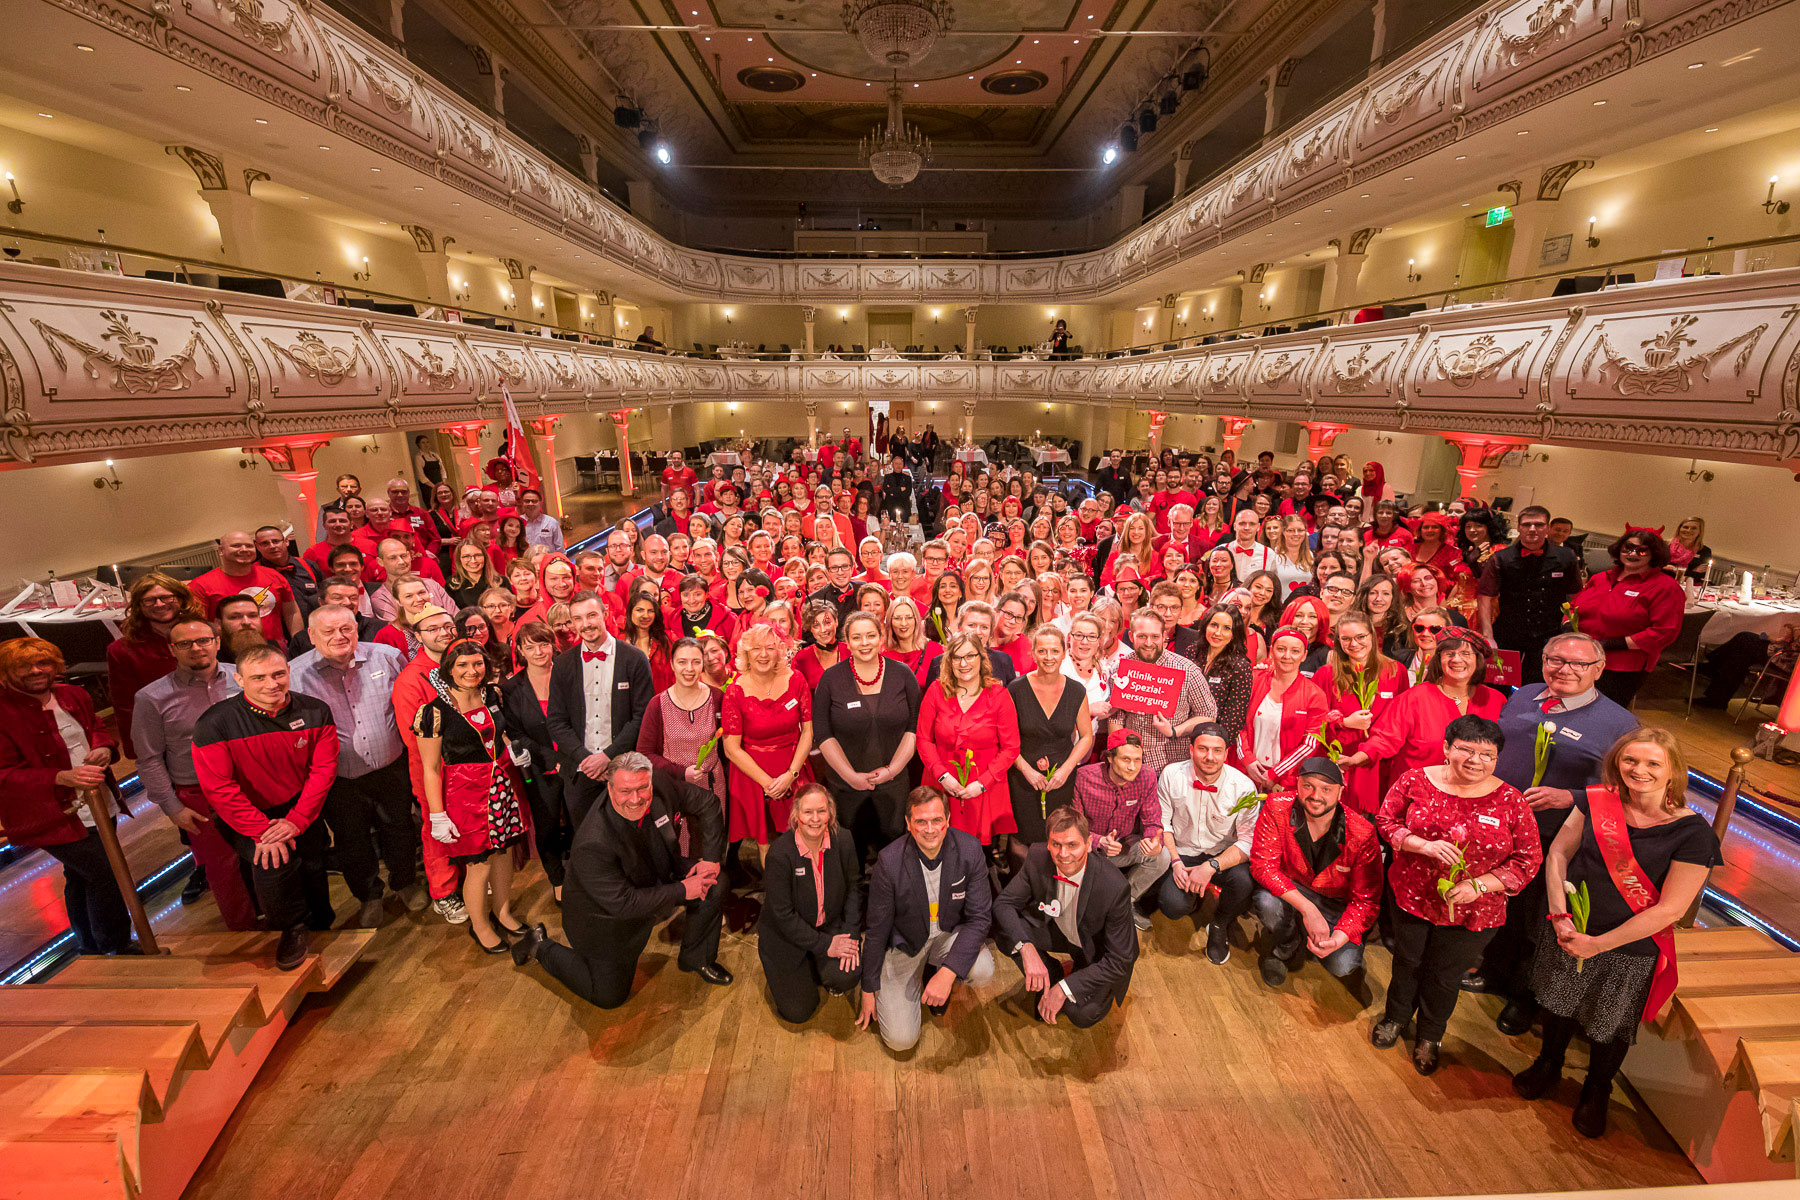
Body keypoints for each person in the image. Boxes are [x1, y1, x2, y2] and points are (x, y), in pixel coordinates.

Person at [1512, 728, 1721, 1138]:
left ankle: (1597, 1088)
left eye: (1653, 763)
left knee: (1611, 1023)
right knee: (1557, 1002)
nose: (1639, 770)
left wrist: (1599, 944)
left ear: (1674, 772)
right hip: (1570, 928)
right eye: (1631, 760)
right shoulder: (1597, 802)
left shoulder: (1694, 834)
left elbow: (1672, 909)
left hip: (1630, 946)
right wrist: (1559, 915)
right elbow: (1559, 853)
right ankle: (1548, 1064)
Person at [1473, 632, 1640, 1033]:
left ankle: (1524, 998)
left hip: (1556, 838)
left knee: (1538, 918)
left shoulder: (1619, 723)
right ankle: (1493, 971)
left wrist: (1570, 796)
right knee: (1503, 906)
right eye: (1555, 660)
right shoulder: (1526, 694)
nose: (1564, 670)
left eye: (1578, 664)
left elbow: (1629, 786)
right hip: (1503, 826)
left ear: (1599, 669)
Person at [1372, 715, 1541, 1075]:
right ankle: (1395, 1017)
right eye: (1466, 750)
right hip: (1411, 896)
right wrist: (1422, 845)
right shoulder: (1414, 780)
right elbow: (1386, 822)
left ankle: (1430, 1036)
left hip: (1474, 911)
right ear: (1447, 748)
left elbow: (1527, 861)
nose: (1476, 761)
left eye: (1487, 754)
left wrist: (1479, 885)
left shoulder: (1510, 800)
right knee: (1407, 962)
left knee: (1444, 975)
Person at [508, 754, 732, 1004]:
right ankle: (540, 946)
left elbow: (709, 803)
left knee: (714, 881)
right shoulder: (593, 842)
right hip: (606, 919)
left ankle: (696, 958)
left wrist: (711, 860)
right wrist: (682, 890)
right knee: (608, 997)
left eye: (642, 788)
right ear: (610, 787)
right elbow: (623, 903)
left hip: (656, 872)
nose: (635, 799)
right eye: (626, 791)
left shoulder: (658, 782)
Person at [192, 646, 340, 970]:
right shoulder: (214, 724)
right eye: (258, 677)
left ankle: (322, 922)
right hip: (249, 814)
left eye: (278, 674)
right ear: (239, 679)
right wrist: (263, 831)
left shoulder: (316, 711)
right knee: (273, 864)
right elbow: (220, 788)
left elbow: (323, 770)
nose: (271, 683)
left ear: (288, 672)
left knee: (313, 863)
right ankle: (291, 929)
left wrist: (297, 820)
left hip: (300, 807)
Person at [288, 605, 422, 928]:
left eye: (346, 629)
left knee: (400, 828)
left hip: (391, 767)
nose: (339, 636)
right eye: (329, 631)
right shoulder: (294, 674)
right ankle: (369, 896)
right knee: (351, 841)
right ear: (311, 636)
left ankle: (405, 883)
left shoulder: (387, 656)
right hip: (337, 779)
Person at [0, 637, 135, 955]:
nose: (36, 671)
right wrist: (59, 776)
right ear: (6, 672)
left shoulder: (74, 694)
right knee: (106, 874)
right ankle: (116, 946)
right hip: (53, 813)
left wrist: (104, 745)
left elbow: (95, 725)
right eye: (24, 666)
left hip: (99, 800)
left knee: (80, 876)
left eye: (43, 663)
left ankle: (91, 946)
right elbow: (4, 771)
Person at [131, 618, 258, 930]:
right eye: (185, 643)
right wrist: (172, 808)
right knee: (222, 870)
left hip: (255, 786)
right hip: (199, 795)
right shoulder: (151, 697)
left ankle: (284, 923)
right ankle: (246, 935)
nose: (196, 648)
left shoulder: (247, 677)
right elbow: (148, 759)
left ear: (216, 641)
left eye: (203, 640)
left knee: (269, 859)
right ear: (172, 649)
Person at [856, 787, 997, 1052]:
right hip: (905, 945)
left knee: (983, 969)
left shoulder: (969, 849)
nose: (930, 829)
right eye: (921, 821)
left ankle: (936, 970)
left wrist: (948, 972)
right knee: (901, 1042)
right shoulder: (889, 861)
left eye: (936, 820)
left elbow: (979, 918)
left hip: (945, 936)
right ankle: (914, 978)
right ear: (909, 824)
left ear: (948, 821)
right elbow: (876, 930)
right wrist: (867, 987)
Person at [414, 639, 530, 954]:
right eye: (462, 665)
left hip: (501, 787)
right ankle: (479, 926)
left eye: (476, 663)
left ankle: (502, 912)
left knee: (504, 853)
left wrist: (513, 749)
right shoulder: (433, 712)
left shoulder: (493, 695)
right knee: (478, 866)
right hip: (465, 797)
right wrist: (437, 814)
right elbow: (431, 768)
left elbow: (499, 734)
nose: (471, 671)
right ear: (448, 667)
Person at [993, 806, 1138, 1028]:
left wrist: (1064, 989)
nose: (1063, 854)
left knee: (1082, 1014)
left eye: (1072, 845)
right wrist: (1027, 948)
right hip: (1058, 929)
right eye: (1056, 845)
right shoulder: (1038, 856)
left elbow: (1120, 960)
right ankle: (1052, 972)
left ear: (1089, 844)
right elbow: (1004, 904)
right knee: (1007, 933)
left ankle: (1067, 979)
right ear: (1048, 843)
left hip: (1095, 951)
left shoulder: (1114, 886)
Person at [1248, 757, 1384, 987]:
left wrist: (1341, 935)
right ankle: (1287, 944)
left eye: (1326, 789)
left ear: (1341, 792)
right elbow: (1263, 865)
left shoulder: (1362, 833)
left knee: (1343, 965)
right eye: (1308, 785)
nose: (1315, 795)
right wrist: (1308, 910)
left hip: (1336, 904)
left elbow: (1367, 901)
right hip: (1293, 890)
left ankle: (1313, 938)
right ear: (1298, 784)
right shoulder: (1277, 805)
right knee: (1266, 903)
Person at [547, 591, 654, 836]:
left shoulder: (634, 659)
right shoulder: (563, 664)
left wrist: (608, 757)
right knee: (587, 840)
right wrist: (587, 760)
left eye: (592, 615)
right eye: (578, 618)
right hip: (579, 770)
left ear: (605, 613)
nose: (586, 624)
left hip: (625, 770)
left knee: (630, 837)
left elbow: (642, 716)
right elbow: (556, 721)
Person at [814, 611, 921, 854]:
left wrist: (892, 771)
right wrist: (850, 776)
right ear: (847, 642)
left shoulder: (903, 674)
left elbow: (914, 727)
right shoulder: (831, 679)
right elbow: (823, 732)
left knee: (894, 850)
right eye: (857, 637)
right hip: (845, 785)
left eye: (871, 636)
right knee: (851, 851)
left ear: (881, 637)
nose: (865, 643)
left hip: (894, 784)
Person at [1338, 629, 1505, 783]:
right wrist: (1355, 759)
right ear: (1439, 659)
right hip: (1418, 796)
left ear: (1478, 659)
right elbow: (1383, 739)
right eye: (1449, 654)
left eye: (1465, 653)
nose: (1457, 659)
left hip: (1474, 795)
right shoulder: (1413, 699)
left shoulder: (1496, 700)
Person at [758, 783, 864, 1023]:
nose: (815, 819)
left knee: (849, 973)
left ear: (830, 813)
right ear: (796, 815)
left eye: (821, 811)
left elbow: (854, 888)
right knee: (799, 1011)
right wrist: (825, 945)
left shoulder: (843, 839)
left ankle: (816, 965)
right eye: (808, 812)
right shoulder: (779, 854)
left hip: (827, 926)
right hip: (786, 937)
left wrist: (851, 934)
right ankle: (801, 967)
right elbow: (782, 915)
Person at [1154, 723, 1261, 961]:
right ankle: (1194, 899)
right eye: (1203, 749)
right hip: (1182, 853)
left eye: (1217, 750)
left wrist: (1211, 867)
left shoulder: (1243, 787)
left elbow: (1247, 840)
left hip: (1222, 855)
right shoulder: (1171, 775)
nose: (1210, 757)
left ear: (1226, 753)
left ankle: (1220, 923)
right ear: (1191, 749)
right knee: (1172, 906)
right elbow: (1163, 824)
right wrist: (1175, 862)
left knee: (1245, 882)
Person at [391, 605, 469, 924]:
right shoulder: (410, 679)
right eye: (433, 629)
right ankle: (443, 892)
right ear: (419, 636)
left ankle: (469, 877)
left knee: (464, 824)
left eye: (448, 626)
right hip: (433, 767)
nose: (443, 633)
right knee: (437, 831)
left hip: (466, 764)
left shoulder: (461, 663)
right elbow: (415, 739)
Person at [916, 631, 1021, 847]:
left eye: (970, 656)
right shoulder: (936, 691)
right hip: (941, 782)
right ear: (949, 661)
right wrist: (942, 776)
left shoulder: (999, 695)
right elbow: (923, 739)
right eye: (957, 657)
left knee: (975, 853)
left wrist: (982, 784)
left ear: (981, 658)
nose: (964, 663)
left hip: (982, 787)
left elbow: (1011, 748)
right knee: (935, 846)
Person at [1568, 527, 1685, 706]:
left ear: (1655, 554)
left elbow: (1664, 632)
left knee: (1600, 716)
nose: (1632, 553)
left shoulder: (1665, 587)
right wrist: (1567, 624)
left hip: (1622, 666)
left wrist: (1616, 644)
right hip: (1579, 657)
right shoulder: (1600, 578)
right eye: (1627, 548)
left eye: (1642, 550)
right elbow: (1573, 606)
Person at [1070, 729, 1170, 928]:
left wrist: (1153, 840)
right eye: (1125, 759)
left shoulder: (1147, 776)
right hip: (1088, 852)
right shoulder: (1083, 777)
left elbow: (1152, 820)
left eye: (1137, 759)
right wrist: (1099, 841)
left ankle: (1125, 903)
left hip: (1125, 847)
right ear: (1109, 758)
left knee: (1162, 856)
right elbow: (1073, 826)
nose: (1132, 767)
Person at [1476, 506, 1584, 686]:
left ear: (1548, 528)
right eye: (1527, 525)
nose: (1532, 529)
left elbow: (1576, 595)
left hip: (1549, 633)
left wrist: (1570, 629)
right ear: (1519, 528)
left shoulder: (1566, 557)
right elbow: (1485, 596)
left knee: (1536, 684)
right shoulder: (1501, 558)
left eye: (1539, 524)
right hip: (1508, 630)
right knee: (1497, 682)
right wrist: (1488, 635)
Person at [1312, 613, 1407, 816]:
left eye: (1360, 637)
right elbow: (1314, 718)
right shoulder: (1327, 674)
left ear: (1372, 636)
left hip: (1378, 762)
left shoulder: (1395, 671)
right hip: (1340, 759)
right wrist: (1344, 721)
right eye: (1346, 639)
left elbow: (1401, 719)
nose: (1354, 644)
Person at [502, 621, 570, 900]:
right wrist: (549, 758)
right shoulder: (511, 688)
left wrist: (568, 756)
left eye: (543, 644)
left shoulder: (568, 674)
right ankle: (558, 880)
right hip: (539, 767)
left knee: (582, 823)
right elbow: (515, 732)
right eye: (530, 647)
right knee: (548, 826)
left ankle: (583, 875)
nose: (539, 652)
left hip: (575, 760)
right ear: (520, 650)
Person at [107, 572, 205, 763]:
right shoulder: (122, 650)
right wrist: (136, 750)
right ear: (138, 607)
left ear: (181, 599)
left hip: (210, 726)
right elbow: (125, 705)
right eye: (149, 601)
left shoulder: (204, 634)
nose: (159, 605)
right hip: (164, 736)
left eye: (167, 597)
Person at [1111, 609, 1217, 779]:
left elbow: (1208, 715)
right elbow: (1115, 718)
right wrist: (1118, 755)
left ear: (1164, 636)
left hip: (1173, 766)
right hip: (1132, 765)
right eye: (1142, 636)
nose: (1148, 643)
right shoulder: (1120, 669)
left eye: (1154, 637)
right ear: (1131, 637)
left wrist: (1174, 730)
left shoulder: (1187, 670)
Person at [1237, 626, 1330, 792]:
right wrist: (1247, 759)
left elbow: (1309, 744)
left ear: (1304, 655)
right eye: (1281, 649)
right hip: (1244, 773)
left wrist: (1274, 774)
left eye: (1295, 651)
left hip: (1286, 781)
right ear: (1271, 651)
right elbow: (1237, 723)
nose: (1287, 656)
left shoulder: (1314, 695)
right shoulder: (1253, 679)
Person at [189, 529, 302, 642]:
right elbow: (199, 627)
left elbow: (291, 612)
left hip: (277, 650)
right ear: (221, 550)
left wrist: (299, 643)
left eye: (249, 546)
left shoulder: (273, 575)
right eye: (236, 546)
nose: (244, 550)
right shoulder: (200, 586)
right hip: (231, 655)